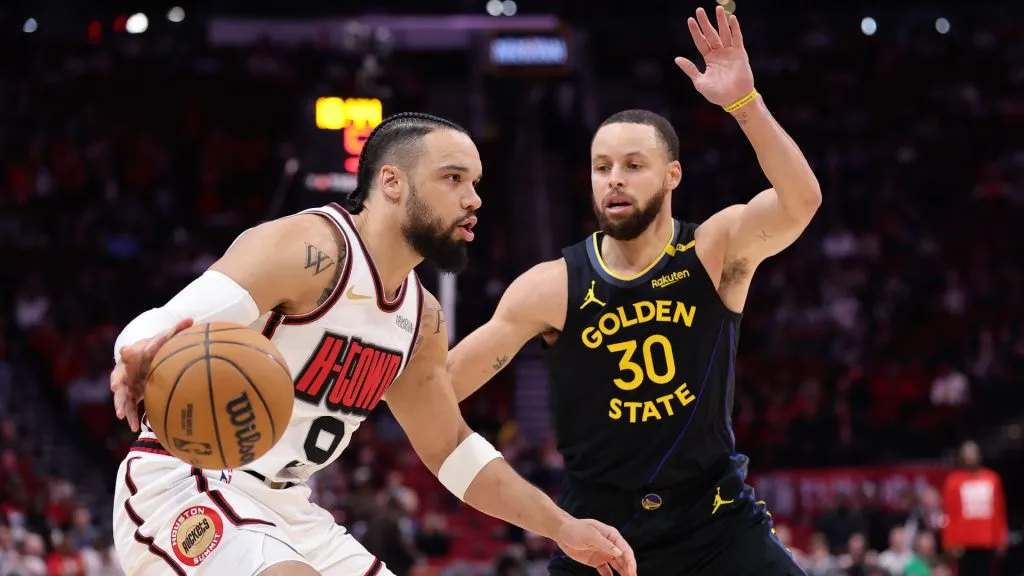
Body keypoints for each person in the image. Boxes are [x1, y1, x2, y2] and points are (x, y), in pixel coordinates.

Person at [109, 112, 637, 576]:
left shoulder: (421, 319)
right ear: (391, 182)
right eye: (452, 178)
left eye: (475, 182)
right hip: (186, 481)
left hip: (288, 510)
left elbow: (453, 450)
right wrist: (136, 353)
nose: (473, 199)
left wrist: (563, 527)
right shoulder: (310, 248)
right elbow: (163, 324)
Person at [448, 7, 820, 575]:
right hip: (600, 534)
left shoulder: (713, 253)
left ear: (672, 176)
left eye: (633, 164)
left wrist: (747, 105)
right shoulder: (551, 286)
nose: (614, 178)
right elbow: (441, 387)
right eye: (602, 167)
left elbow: (801, 202)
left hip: (715, 522)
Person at [941, 440, 1008, 576]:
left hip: (987, 539)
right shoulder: (953, 481)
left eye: (973, 453)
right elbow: (950, 514)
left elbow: (999, 511)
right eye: (966, 454)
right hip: (963, 541)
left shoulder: (992, 479)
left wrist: (1001, 539)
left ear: (979, 455)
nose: (970, 457)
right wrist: (950, 542)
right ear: (961, 457)